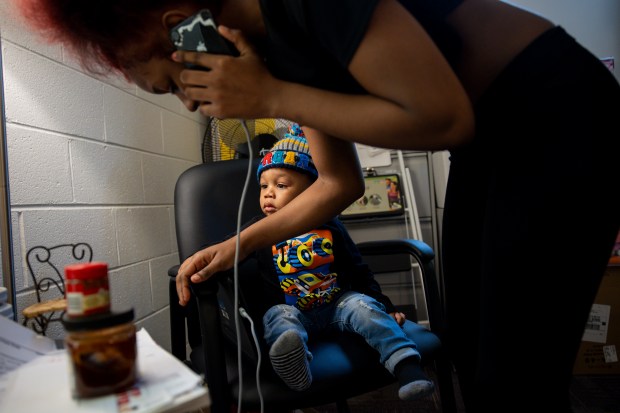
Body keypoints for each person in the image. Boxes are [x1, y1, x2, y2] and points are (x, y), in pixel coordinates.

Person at [13, 1, 620, 411]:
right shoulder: (269, 49)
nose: (190, 105)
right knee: (471, 342)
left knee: (514, 377)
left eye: (171, 83)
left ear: (180, 26)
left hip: (557, 110)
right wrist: (235, 246)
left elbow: (444, 116)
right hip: (493, 138)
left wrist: (270, 93)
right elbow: (337, 182)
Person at [249, 124, 434, 400]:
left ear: (312, 192)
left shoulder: (330, 226)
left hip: (338, 306)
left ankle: (407, 366)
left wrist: (386, 306)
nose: (268, 193)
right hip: (294, 313)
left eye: (281, 185)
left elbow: (358, 269)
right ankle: (295, 367)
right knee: (277, 317)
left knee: (364, 306)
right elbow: (227, 250)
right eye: (264, 185)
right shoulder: (258, 230)